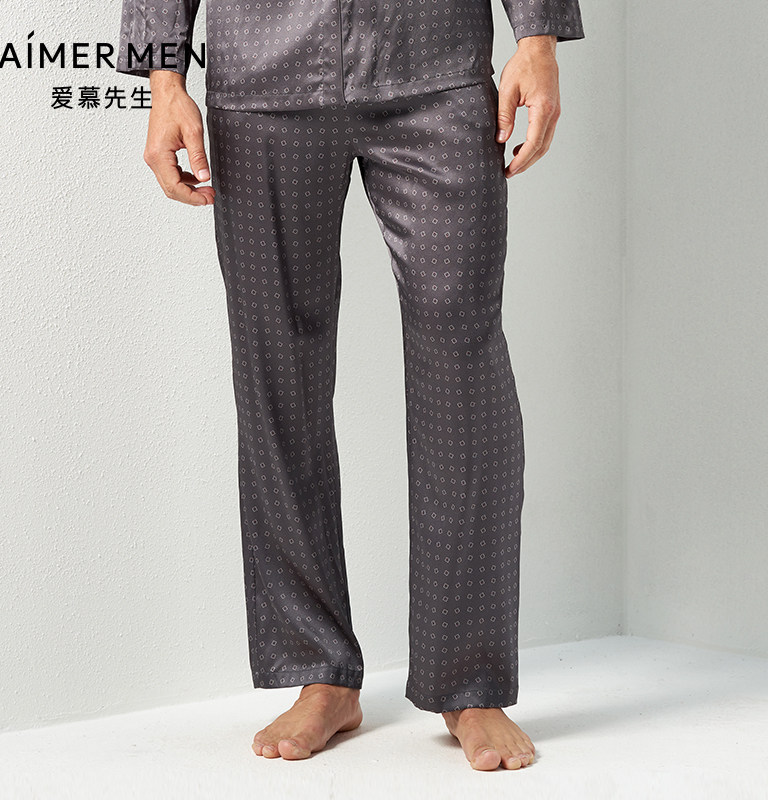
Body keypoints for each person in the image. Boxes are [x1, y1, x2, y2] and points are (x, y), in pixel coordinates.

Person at [117, 0, 585, 772]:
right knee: (277, 372)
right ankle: (320, 670)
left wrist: (538, 38)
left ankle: (468, 681)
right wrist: (163, 79)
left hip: (435, 62)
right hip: (263, 73)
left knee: (462, 363)